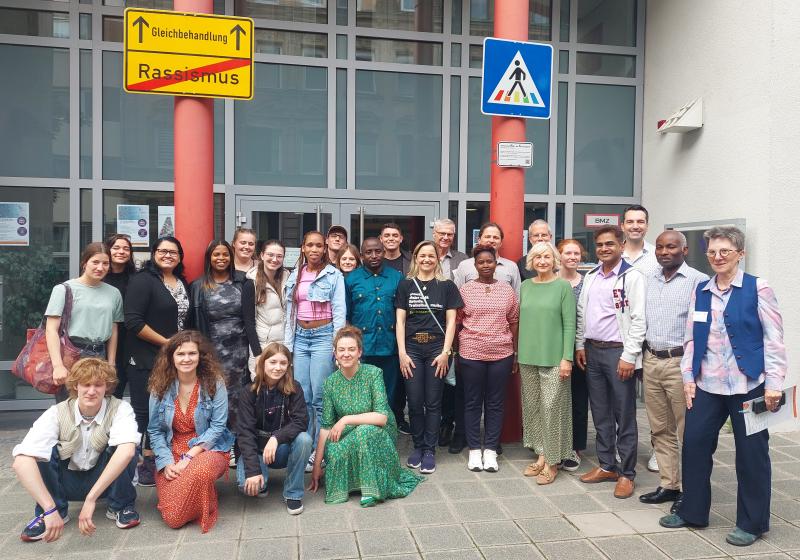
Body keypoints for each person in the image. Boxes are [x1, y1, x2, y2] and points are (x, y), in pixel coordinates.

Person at [659, 226, 787, 548]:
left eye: (724, 252)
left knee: (751, 455)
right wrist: (688, 378)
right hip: (708, 385)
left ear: (740, 254)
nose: (717, 257)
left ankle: (753, 523)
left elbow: (774, 340)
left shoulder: (759, 288)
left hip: (749, 385)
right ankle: (693, 511)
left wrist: (773, 384)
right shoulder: (701, 290)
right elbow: (690, 338)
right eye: (712, 252)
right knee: (695, 445)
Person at [12, 358, 140, 543]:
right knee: (39, 452)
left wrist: (91, 499)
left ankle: (120, 506)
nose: (91, 391)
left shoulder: (120, 408)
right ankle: (52, 512)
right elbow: (21, 462)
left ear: (107, 387)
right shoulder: (56, 412)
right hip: (67, 482)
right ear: (75, 386)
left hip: (105, 483)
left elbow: (127, 452)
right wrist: (49, 508)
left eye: (98, 385)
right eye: (85, 384)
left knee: (126, 446)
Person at [308, 326, 423, 506]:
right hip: (348, 433)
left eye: (351, 349)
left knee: (364, 432)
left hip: (378, 432)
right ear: (335, 353)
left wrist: (345, 419)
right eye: (342, 350)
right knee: (334, 449)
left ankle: (371, 490)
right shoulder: (330, 383)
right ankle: (353, 484)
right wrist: (316, 467)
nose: (346, 354)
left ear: (359, 352)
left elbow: (381, 418)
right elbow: (326, 426)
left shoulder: (373, 373)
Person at [639, 231, 708, 512]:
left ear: (684, 249)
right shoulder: (648, 279)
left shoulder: (698, 282)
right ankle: (669, 485)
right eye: (659, 247)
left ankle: (690, 491)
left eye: (671, 247)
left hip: (681, 363)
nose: (664, 251)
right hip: (652, 360)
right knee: (659, 429)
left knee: (686, 431)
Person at [575, 225, 645, 499]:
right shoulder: (591, 276)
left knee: (624, 414)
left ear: (622, 244)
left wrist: (630, 356)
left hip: (619, 353)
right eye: (600, 245)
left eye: (610, 244)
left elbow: (639, 319)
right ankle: (607, 465)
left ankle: (627, 473)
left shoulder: (632, 277)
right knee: (600, 412)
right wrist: (581, 345)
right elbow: (583, 313)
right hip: (593, 352)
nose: (604, 249)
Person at [147, 331, 234, 533]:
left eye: (192, 353)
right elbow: (155, 430)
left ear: (200, 355)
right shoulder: (159, 387)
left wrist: (189, 456)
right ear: (171, 357)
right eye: (180, 354)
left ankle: (200, 489)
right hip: (172, 449)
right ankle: (200, 492)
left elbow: (218, 427)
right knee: (173, 518)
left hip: (208, 449)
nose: (186, 359)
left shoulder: (215, 383)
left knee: (201, 472)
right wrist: (166, 461)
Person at [450, 222, 521, 455]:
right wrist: (457, 352)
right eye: (481, 262)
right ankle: (473, 448)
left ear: (495, 263)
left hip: (501, 353)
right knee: (472, 402)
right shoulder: (466, 290)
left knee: (495, 402)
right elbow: (458, 321)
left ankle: (490, 447)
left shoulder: (506, 289)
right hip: (471, 353)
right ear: (475, 265)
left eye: (489, 261)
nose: (486, 265)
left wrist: (515, 352)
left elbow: (513, 321)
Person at [125, 236, 190, 486]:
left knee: (163, 411)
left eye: (173, 252)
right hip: (145, 357)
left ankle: (154, 458)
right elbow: (133, 321)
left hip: (173, 359)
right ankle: (133, 462)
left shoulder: (181, 282)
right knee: (143, 412)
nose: (168, 255)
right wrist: (167, 343)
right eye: (163, 251)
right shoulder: (143, 281)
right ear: (153, 254)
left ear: (180, 256)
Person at [395, 241, 463, 474]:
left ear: (437, 259)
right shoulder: (405, 285)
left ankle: (429, 450)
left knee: (433, 403)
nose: (426, 259)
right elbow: (400, 321)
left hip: (436, 349)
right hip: (412, 349)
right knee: (414, 402)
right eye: (422, 255)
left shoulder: (446, 286)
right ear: (415, 257)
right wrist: (402, 353)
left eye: (430, 256)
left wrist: (446, 352)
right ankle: (418, 446)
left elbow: (452, 321)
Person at [284, 230, 346, 471]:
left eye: (319, 245)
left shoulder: (334, 274)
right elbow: (290, 312)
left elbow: (339, 310)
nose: (314, 249)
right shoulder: (295, 275)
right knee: (302, 395)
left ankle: (321, 450)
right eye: (310, 245)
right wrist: (288, 345)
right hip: (300, 336)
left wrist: (336, 344)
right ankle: (305, 445)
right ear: (303, 248)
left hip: (322, 336)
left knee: (319, 398)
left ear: (325, 248)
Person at [519, 242, 576, 484]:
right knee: (533, 409)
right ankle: (541, 454)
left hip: (555, 358)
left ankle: (553, 462)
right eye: (537, 257)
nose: (542, 261)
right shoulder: (524, 286)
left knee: (553, 409)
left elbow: (570, 324)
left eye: (547, 257)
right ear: (531, 261)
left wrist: (567, 358)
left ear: (555, 260)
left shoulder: (563, 287)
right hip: (528, 356)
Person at [236, 342, 311, 514]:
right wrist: (253, 471)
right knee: (246, 486)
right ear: (263, 363)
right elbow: (245, 433)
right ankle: (261, 477)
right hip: (257, 450)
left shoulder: (294, 387)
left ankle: (293, 493)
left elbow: (301, 421)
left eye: (283, 363)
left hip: (281, 449)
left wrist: (276, 438)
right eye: (273, 362)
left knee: (305, 439)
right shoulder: (248, 392)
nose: (278, 368)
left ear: (288, 365)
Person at [44, 242, 123, 403]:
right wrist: (58, 365)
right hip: (72, 354)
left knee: (97, 404)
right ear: (84, 262)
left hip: (100, 354)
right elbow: (51, 329)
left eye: (105, 263)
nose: (100, 267)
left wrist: (111, 363)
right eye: (95, 262)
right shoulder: (64, 289)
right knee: (69, 405)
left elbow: (114, 328)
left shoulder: (114, 293)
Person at [188, 240, 250, 439]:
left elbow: (250, 317)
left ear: (231, 257)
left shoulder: (242, 282)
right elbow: (191, 322)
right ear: (209, 258)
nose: (221, 258)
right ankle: (214, 439)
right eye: (216, 255)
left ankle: (236, 441)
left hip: (239, 351)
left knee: (238, 396)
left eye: (225, 254)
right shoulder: (198, 286)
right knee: (212, 393)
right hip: (211, 350)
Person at [345, 237, 404, 422]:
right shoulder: (351, 279)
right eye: (368, 252)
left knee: (389, 396)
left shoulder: (397, 277)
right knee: (361, 397)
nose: (374, 255)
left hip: (390, 347)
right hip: (362, 348)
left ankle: (386, 435)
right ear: (361, 255)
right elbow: (346, 314)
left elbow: (403, 314)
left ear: (384, 252)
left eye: (378, 251)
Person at [621, 204, 660, 472]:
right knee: (620, 401)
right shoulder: (612, 254)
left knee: (656, 402)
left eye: (640, 221)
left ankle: (660, 450)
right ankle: (620, 446)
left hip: (652, 339)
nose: (635, 225)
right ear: (623, 225)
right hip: (620, 339)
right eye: (631, 221)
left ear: (647, 225)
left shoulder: (657, 257)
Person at [432, 218, 467, 448]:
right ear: (434, 234)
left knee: (452, 379)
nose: (445, 237)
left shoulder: (462, 259)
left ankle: (448, 423)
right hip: (428, 324)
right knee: (433, 377)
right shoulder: (424, 253)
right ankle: (433, 423)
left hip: (454, 324)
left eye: (450, 234)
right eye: (441, 233)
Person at [556, 239, 588, 471]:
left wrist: (580, 345)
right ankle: (554, 443)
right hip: (554, 348)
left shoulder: (587, 284)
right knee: (555, 400)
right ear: (559, 255)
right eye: (568, 252)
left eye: (576, 253)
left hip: (580, 349)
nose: (572, 257)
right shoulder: (551, 281)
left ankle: (575, 448)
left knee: (578, 399)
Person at [243, 239, 289, 379]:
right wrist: (257, 353)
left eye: (279, 256)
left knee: (283, 387)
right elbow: (248, 322)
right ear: (262, 255)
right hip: (263, 345)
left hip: (284, 344)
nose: (274, 259)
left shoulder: (289, 278)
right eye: (270, 255)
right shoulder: (251, 283)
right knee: (261, 386)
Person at [105, 234, 136, 399]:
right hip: (101, 337)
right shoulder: (98, 277)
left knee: (118, 382)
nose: (121, 252)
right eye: (116, 248)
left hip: (127, 337)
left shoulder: (135, 278)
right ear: (108, 250)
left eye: (126, 248)